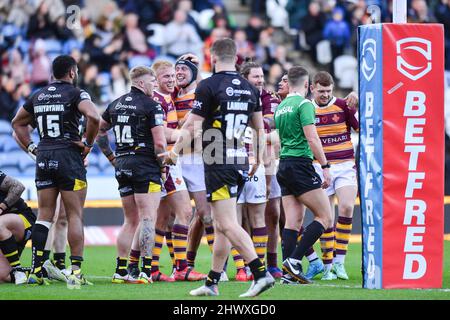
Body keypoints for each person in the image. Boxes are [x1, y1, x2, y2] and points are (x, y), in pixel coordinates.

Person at [163, 38, 275, 297]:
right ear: (236, 58)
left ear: (212, 57)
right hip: (239, 158)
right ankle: (212, 281)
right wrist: (257, 158)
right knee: (224, 225)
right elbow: (259, 129)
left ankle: (260, 273)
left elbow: (192, 126)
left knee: (225, 222)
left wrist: (173, 153)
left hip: (217, 158)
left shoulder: (209, 85)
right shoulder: (250, 88)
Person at [11, 54, 100, 286]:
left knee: (44, 216)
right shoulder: (76, 93)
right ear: (72, 72)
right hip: (69, 156)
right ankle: (76, 271)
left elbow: (17, 123)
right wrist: (88, 145)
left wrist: (31, 147)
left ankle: (36, 271)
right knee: (74, 215)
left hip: (44, 156)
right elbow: (93, 116)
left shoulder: (38, 95)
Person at [97, 66, 167, 284]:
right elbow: (159, 143)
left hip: (123, 164)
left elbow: (99, 132)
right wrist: (163, 167)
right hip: (145, 165)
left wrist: (111, 158)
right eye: (153, 82)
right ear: (141, 83)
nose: (155, 86)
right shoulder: (152, 106)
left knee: (130, 220)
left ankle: (120, 271)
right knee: (148, 218)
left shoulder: (115, 104)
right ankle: (145, 271)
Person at [274, 65, 333, 285]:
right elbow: (312, 138)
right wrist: (325, 166)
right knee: (325, 217)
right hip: (300, 164)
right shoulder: (304, 104)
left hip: (285, 164)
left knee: (292, 221)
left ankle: (288, 275)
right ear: (307, 85)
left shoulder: (281, 107)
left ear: (289, 82)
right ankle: (295, 261)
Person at [150, 60, 206, 282]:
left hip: (168, 160)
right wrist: (179, 136)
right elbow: (159, 131)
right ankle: (181, 267)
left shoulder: (167, 98)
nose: (172, 79)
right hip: (168, 161)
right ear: (155, 80)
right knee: (184, 212)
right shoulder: (158, 101)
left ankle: (152, 268)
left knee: (162, 217)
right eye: (166, 77)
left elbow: (198, 86)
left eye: (173, 76)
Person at [303, 71, 359, 281]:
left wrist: (357, 99)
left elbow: (360, 128)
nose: (325, 95)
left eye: (328, 90)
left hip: (344, 164)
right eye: (321, 91)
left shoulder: (343, 105)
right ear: (312, 88)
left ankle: (339, 263)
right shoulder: (306, 108)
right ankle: (327, 265)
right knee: (326, 217)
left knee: (346, 207)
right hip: (319, 166)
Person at [173, 55, 218, 279]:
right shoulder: (172, 94)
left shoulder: (201, 90)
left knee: (206, 214)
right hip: (178, 160)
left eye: (184, 69)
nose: (179, 72)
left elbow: (202, 82)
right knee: (175, 215)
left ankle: (216, 267)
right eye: (177, 69)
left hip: (198, 159)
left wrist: (197, 67)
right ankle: (178, 266)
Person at [0, 171, 35, 285]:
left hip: (23, 219)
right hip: (3, 232)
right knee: (3, 276)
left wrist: (1, 207)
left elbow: (18, 186)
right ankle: (41, 272)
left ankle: (18, 269)